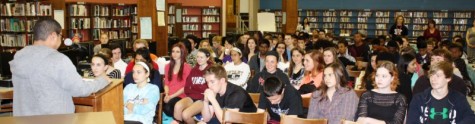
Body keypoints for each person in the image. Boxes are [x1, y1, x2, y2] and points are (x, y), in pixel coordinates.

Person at [10, 18, 111, 116]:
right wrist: (102, 80)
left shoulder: (19, 56)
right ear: (53, 36)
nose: (61, 40)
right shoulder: (57, 59)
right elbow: (81, 89)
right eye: (60, 36)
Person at [406, 61, 475, 124]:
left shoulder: (458, 98)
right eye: (431, 75)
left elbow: (470, 118)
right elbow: (411, 121)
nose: (433, 79)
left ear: (448, 78)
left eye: (438, 76)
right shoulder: (419, 99)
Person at [174, 49, 213, 124]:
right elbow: (187, 85)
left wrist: (200, 93)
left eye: (202, 57)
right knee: (177, 106)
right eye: (198, 57)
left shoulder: (211, 70)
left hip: (203, 98)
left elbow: (210, 88)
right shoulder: (194, 70)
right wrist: (190, 93)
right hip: (192, 96)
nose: (199, 59)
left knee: (185, 115)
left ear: (207, 58)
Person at [163, 43, 192, 118]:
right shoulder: (167, 66)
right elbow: (166, 83)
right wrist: (166, 94)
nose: (174, 54)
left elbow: (185, 87)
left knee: (168, 108)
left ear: (182, 53)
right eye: (173, 51)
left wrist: (171, 96)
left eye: (177, 52)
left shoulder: (186, 67)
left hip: (181, 95)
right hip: (169, 94)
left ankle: (178, 120)